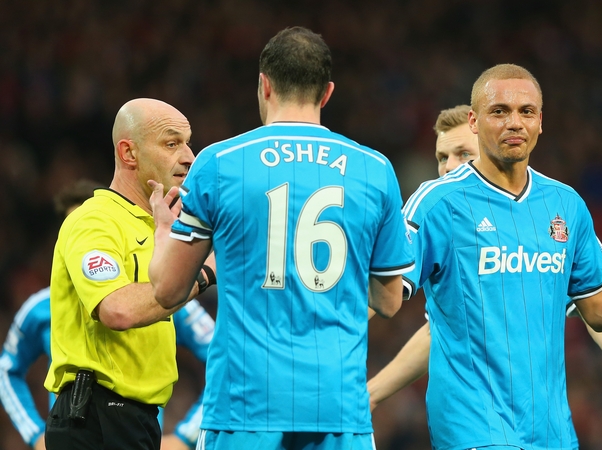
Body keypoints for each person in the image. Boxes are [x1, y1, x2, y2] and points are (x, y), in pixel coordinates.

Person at [397, 64, 602, 450]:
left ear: (541, 122)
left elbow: (600, 308)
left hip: (553, 433)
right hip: (475, 429)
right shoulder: (437, 202)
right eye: (500, 111)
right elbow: (384, 292)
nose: (514, 122)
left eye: (526, 112)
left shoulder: (565, 204)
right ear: (474, 120)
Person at [147, 26, 414, 450]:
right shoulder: (374, 169)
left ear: (264, 85)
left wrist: (164, 231)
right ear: (327, 93)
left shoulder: (219, 162)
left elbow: (166, 290)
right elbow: (387, 301)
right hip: (339, 408)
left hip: (243, 406)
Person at [368, 106, 602, 414]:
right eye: (442, 157)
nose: (450, 167)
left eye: (463, 154)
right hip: (475, 417)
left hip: (540, 418)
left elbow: (594, 305)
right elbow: (388, 297)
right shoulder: (437, 210)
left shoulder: (549, 211)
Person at [44, 99, 216, 450]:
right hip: (96, 419)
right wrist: (203, 274)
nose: (189, 157)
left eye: (188, 142)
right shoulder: (95, 220)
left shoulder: (161, 225)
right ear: (129, 153)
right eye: (172, 144)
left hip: (136, 420)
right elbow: (117, 309)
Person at [0, 179, 214, 450]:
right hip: (74, 433)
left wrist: (185, 437)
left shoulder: (160, 296)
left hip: (140, 435)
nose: (89, 246)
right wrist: (34, 434)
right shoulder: (40, 307)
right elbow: (7, 370)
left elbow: (223, 357)